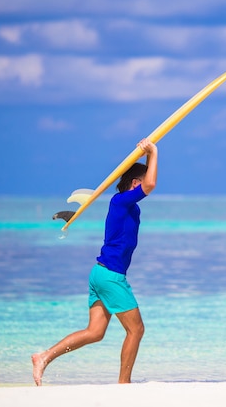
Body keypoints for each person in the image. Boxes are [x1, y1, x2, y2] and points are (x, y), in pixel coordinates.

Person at [32, 138, 158, 386]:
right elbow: (150, 183)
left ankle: (43, 356)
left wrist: (142, 158)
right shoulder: (121, 201)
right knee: (136, 330)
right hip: (111, 275)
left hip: (100, 273)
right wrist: (153, 152)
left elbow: (146, 183)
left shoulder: (128, 206)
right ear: (134, 184)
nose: (146, 187)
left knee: (95, 332)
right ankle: (124, 384)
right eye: (140, 183)